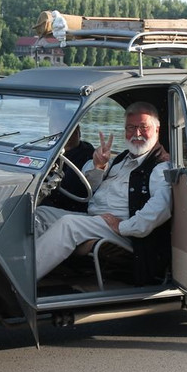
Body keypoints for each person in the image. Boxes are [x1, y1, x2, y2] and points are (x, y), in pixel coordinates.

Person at [35, 102, 172, 285]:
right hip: (94, 218)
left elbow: (161, 208)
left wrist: (124, 226)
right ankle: (14, 266)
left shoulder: (160, 165)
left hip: (125, 233)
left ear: (157, 129)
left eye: (143, 127)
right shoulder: (123, 158)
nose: (136, 134)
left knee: (69, 224)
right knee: (40, 214)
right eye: (131, 128)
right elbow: (89, 186)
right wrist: (98, 165)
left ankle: (21, 282)